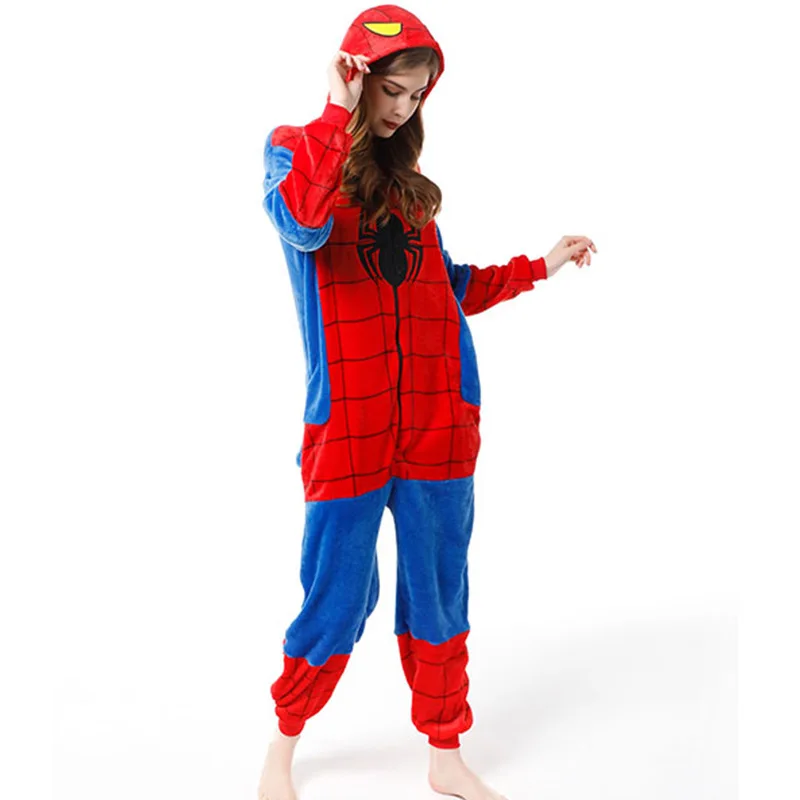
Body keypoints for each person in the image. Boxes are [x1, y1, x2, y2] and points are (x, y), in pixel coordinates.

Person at [257, 5, 597, 799]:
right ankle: (282, 746)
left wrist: (540, 266)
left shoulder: (411, 193)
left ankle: (446, 752)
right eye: (393, 90)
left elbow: (448, 288)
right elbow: (302, 224)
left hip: (439, 421)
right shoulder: (295, 150)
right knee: (336, 597)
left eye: (416, 96)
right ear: (359, 77)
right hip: (349, 426)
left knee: (440, 592)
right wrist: (337, 111)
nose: (403, 108)